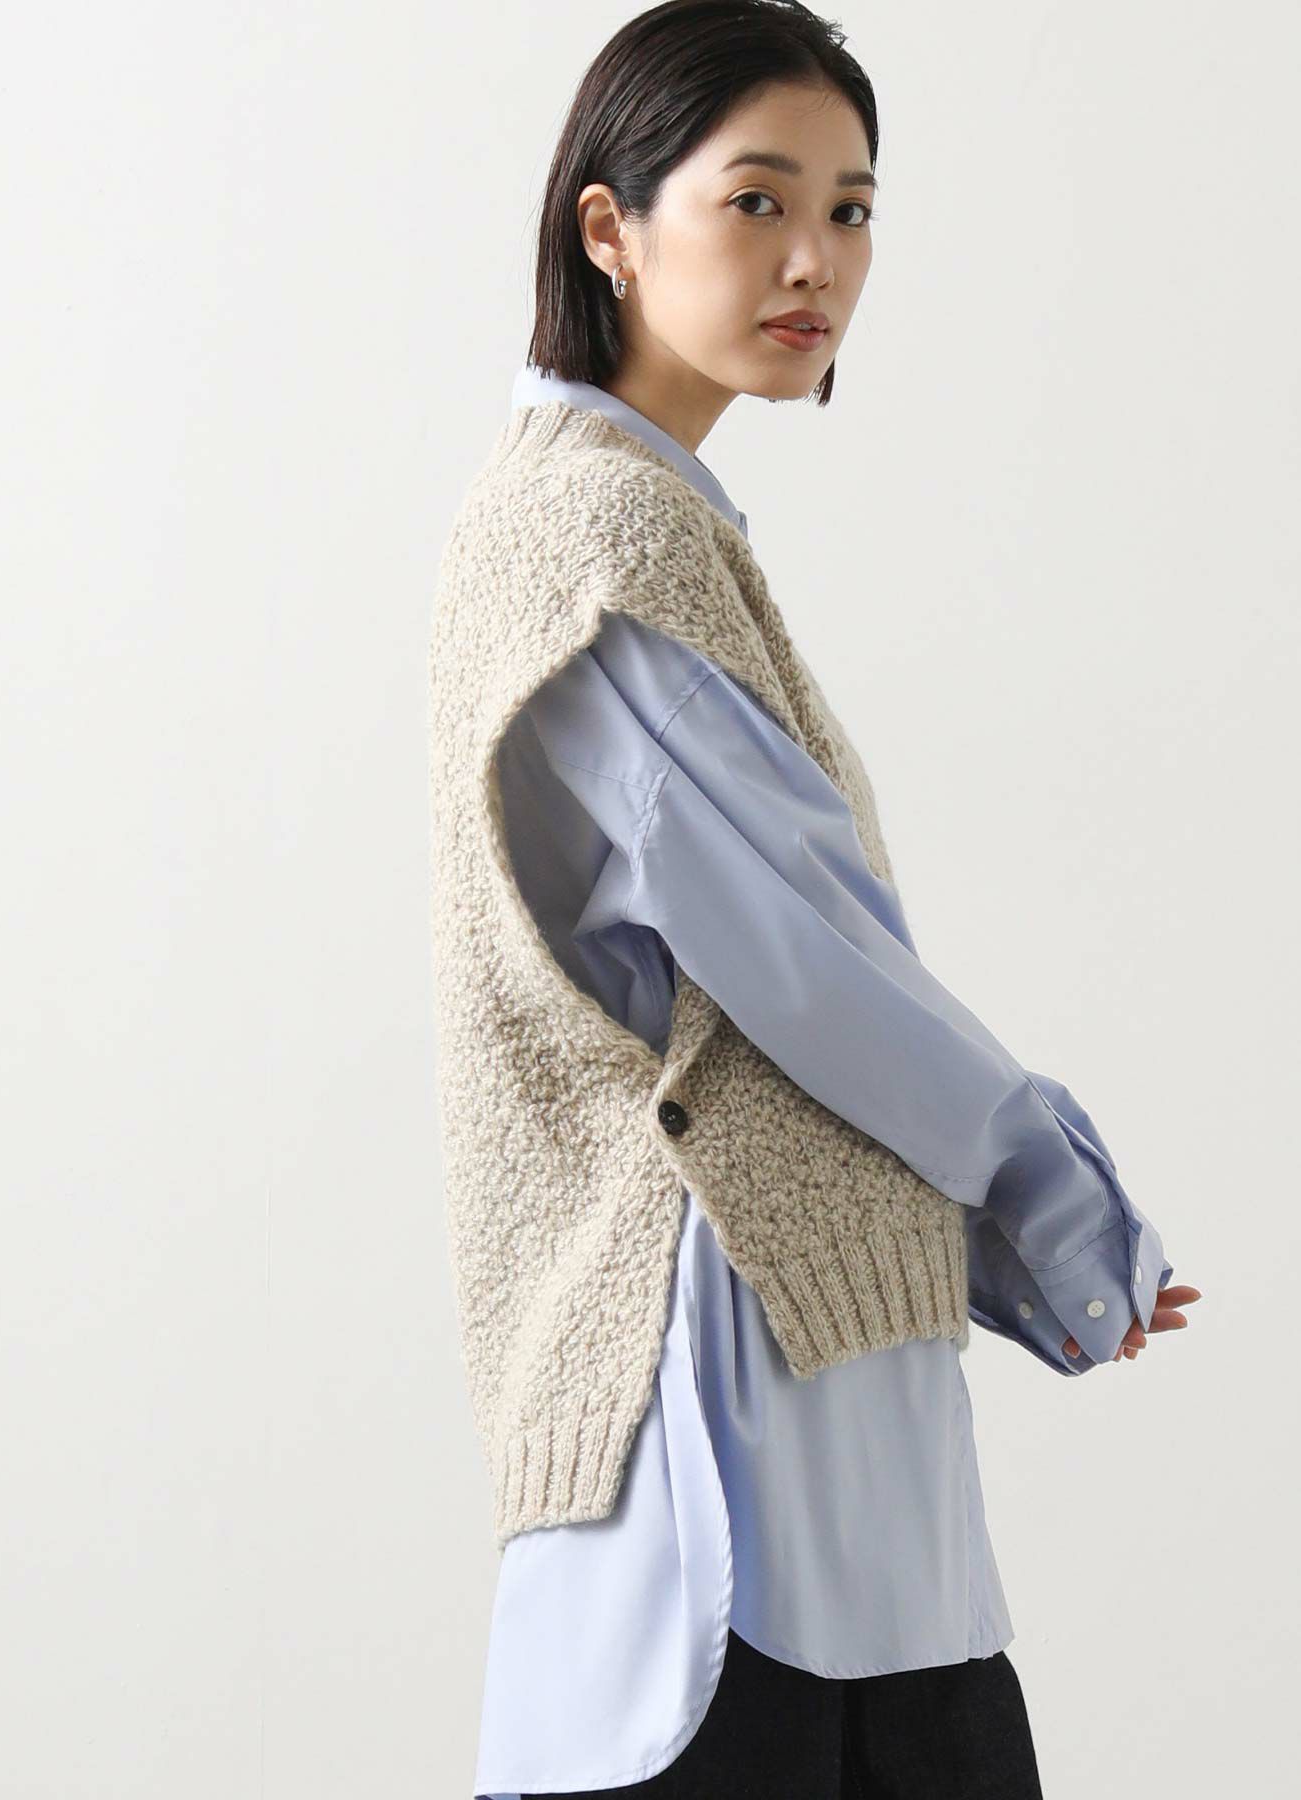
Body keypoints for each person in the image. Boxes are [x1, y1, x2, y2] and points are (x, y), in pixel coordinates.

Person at [425, 6, 1203, 1795]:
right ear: (610, 228)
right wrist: (1048, 1197)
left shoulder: (643, 518)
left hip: (820, 1407)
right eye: (758, 200)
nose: (814, 261)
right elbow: (802, 953)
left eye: (852, 211)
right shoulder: (591, 534)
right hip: (727, 1422)